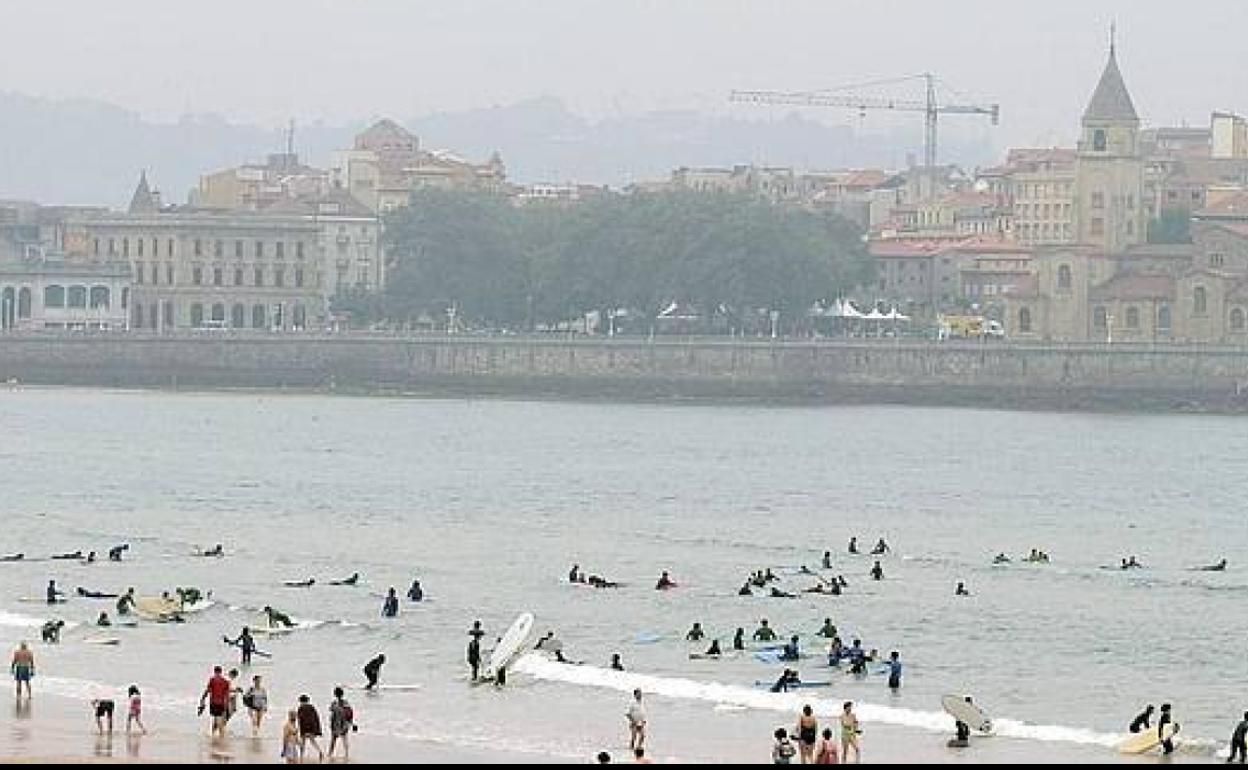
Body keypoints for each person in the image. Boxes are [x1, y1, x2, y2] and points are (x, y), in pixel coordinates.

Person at [198, 665, 231, 738]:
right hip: (222, 703)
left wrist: (203, 699)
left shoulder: (212, 680)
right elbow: (227, 695)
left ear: (214, 671)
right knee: (217, 718)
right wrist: (227, 704)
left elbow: (208, 690)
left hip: (213, 702)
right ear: (221, 672)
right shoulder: (226, 682)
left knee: (216, 718)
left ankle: (219, 735)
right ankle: (216, 734)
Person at [328, 686, 355, 760]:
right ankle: (346, 754)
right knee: (345, 739)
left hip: (335, 724)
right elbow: (350, 714)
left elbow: (331, 711)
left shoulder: (334, 703)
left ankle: (330, 754)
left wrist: (330, 723)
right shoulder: (346, 703)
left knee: (333, 740)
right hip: (344, 724)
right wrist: (351, 723)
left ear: (335, 694)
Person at [296, 694, 325, 761]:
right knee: (312, 741)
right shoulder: (312, 707)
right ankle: (320, 751)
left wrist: (299, 729)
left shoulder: (301, 708)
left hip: (304, 728)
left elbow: (300, 719)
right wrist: (318, 729)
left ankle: (301, 756)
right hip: (312, 728)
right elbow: (316, 718)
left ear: (301, 701)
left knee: (303, 742)